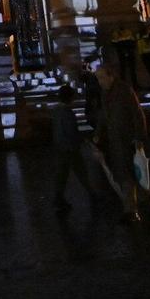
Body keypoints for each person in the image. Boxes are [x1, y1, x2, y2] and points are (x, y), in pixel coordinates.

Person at [95, 63, 149, 222]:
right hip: (115, 140)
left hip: (127, 140)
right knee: (127, 174)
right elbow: (103, 116)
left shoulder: (124, 91)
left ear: (111, 76)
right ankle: (144, 198)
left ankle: (131, 211)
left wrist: (139, 137)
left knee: (126, 175)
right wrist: (98, 133)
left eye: (102, 77)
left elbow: (137, 114)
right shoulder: (105, 93)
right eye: (98, 78)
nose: (100, 81)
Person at [48, 82, 101, 212]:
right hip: (71, 148)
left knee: (62, 174)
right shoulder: (68, 113)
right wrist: (82, 139)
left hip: (60, 147)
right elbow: (72, 132)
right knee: (81, 171)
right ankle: (92, 195)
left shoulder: (55, 111)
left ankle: (59, 198)